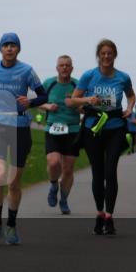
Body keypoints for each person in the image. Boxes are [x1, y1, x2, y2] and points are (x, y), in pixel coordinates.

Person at [0, 33, 48, 244]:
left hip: (20, 127)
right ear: (1, 49)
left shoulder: (26, 70)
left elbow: (43, 95)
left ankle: (11, 225)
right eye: (6, 45)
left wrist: (31, 102)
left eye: (13, 45)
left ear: (18, 49)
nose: (9, 48)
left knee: (13, 182)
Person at [66, 39, 135, 236]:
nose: (106, 56)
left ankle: (110, 216)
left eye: (109, 53)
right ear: (98, 55)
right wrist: (88, 99)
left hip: (115, 127)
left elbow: (131, 95)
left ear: (114, 55)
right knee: (97, 173)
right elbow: (72, 101)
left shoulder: (123, 77)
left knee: (110, 171)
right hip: (93, 128)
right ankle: (99, 213)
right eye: (103, 53)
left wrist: (129, 108)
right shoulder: (89, 75)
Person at [39, 55, 81, 214]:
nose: (64, 68)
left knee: (68, 169)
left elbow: (86, 105)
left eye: (67, 65)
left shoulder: (77, 85)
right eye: (61, 65)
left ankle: (63, 200)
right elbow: (37, 101)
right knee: (53, 162)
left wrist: (77, 106)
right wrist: (48, 106)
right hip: (53, 128)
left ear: (72, 68)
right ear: (57, 68)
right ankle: (53, 185)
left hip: (73, 130)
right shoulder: (49, 83)